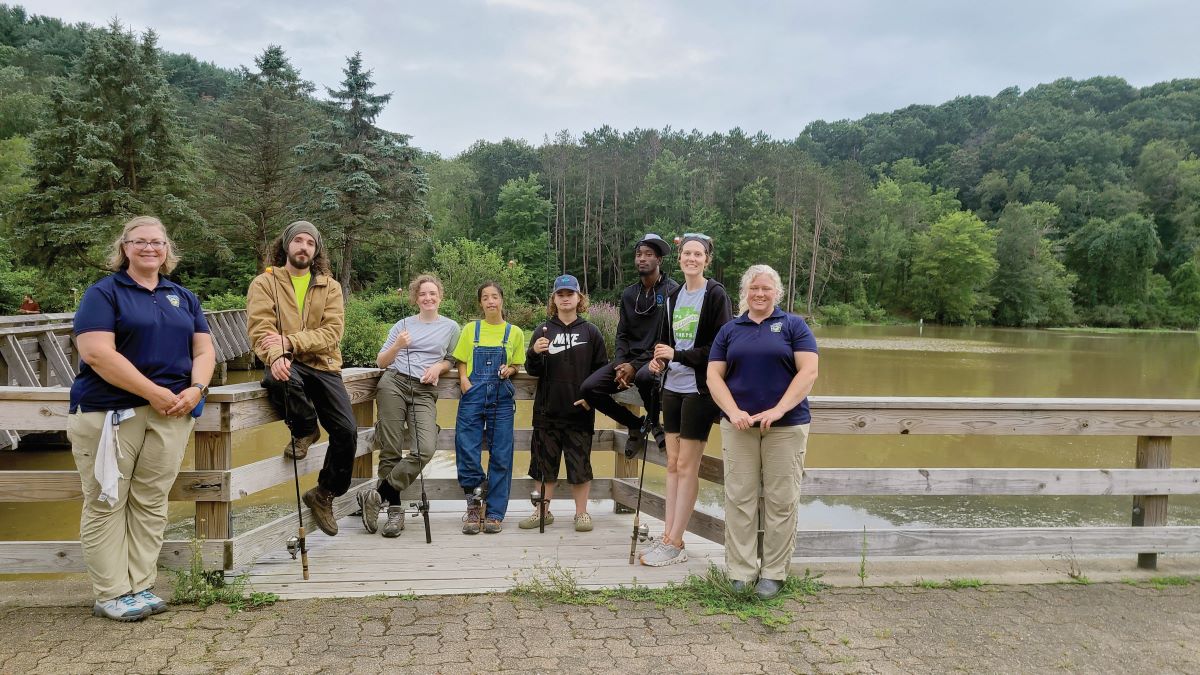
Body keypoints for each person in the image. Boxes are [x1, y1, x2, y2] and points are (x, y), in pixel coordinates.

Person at [67, 215, 215, 621]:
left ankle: (141, 585)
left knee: (150, 501)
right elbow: (96, 353)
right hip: (109, 412)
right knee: (106, 500)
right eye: (139, 241)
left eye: (157, 242)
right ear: (124, 248)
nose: (149, 248)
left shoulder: (182, 296)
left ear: (167, 250)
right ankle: (111, 592)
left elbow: (204, 351)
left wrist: (197, 389)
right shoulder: (104, 293)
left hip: (172, 414)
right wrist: (152, 392)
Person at [707, 264, 818, 599]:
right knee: (739, 498)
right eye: (754, 288)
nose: (759, 294)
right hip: (739, 427)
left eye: (766, 289)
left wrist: (779, 409)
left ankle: (773, 573)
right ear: (745, 292)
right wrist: (732, 410)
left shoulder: (794, 326)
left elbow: (808, 371)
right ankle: (741, 572)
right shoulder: (730, 330)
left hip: (786, 427)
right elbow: (714, 376)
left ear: (777, 292)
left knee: (781, 501)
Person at [246, 220, 356, 537]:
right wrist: (277, 356)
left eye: (310, 242)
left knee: (347, 431)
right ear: (286, 246)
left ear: (316, 250)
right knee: (275, 379)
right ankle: (307, 428)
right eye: (298, 241)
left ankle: (323, 494)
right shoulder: (264, 284)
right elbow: (260, 329)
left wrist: (290, 343)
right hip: (285, 362)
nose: (303, 247)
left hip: (322, 363)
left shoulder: (329, 286)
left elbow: (332, 333)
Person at [639, 234, 732, 566]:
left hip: (700, 390)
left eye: (698, 254)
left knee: (688, 466)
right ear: (679, 258)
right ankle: (667, 536)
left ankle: (675, 542)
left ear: (707, 259)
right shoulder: (673, 296)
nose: (692, 258)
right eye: (686, 253)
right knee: (673, 465)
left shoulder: (715, 294)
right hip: (672, 387)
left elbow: (720, 349)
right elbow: (665, 342)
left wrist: (676, 353)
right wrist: (658, 360)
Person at [359, 274, 460, 537]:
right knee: (390, 449)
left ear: (440, 297)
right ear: (416, 298)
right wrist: (397, 345)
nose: (428, 298)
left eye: (432, 293)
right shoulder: (402, 324)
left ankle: (376, 495)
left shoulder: (451, 327)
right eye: (422, 294)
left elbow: (452, 359)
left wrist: (439, 367)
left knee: (425, 448)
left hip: (424, 390)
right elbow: (381, 362)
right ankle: (394, 513)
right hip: (394, 383)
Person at [521, 274, 608, 532]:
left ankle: (581, 513)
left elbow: (602, 371)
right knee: (543, 467)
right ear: (554, 299)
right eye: (561, 294)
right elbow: (531, 369)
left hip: (579, 413)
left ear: (579, 298)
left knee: (580, 467)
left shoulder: (591, 332)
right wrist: (534, 352)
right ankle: (542, 512)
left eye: (570, 294)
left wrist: (591, 399)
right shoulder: (543, 330)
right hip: (547, 412)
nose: (566, 298)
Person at [580, 234, 679, 456]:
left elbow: (667, 339)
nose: (642, 259)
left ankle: (655, 424)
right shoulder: (628, 294)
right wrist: (620, 363)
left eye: (648, 255)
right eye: (638, 255)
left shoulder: (672, 291)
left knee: (645, 377)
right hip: (628, 360)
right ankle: (636, 424)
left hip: (656, 358)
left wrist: (635, 366)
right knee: (589, 388)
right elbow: (622, 333)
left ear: (659, 260)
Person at [453, 281, 526, 534]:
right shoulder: (470, 329)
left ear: (502, 300)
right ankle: (474, 505)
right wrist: (464, 380)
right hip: (472, 394)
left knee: (502, 455)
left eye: (495, 296)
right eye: (485, 297)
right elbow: (461, 360)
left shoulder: (514, 332)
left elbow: (517, 363)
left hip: (502, 398)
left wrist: (511, 369)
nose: (491, 301)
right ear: (480, 303)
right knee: (466, 448)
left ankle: (494, 513)